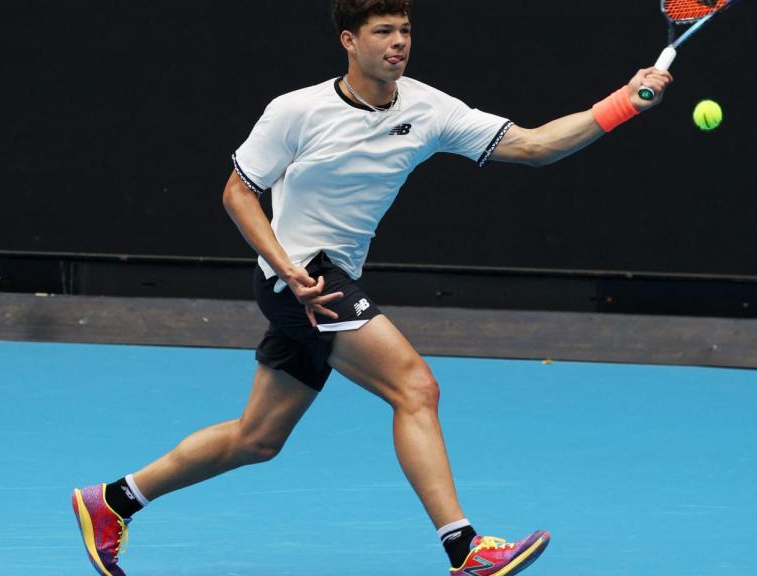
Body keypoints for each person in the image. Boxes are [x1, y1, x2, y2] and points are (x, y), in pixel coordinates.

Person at [71, 1, 672, 574]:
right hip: (304, 278)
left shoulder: (429, 108)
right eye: (383, 32)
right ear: (349, 41)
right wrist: (286, 268)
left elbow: (535, 145)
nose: (398, 43)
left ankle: (114, 501)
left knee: (257, 439)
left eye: (404, 31)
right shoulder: (295, 111)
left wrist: (624, 102)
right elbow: (238, 192)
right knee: (416, 387)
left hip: (329, 281)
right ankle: (464, 549)